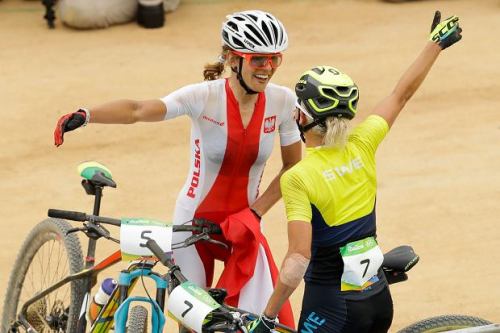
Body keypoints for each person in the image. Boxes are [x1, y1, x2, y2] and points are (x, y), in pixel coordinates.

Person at [53, 10, 300, 327]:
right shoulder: (203, 96)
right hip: (192, 226)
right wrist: (87, 114)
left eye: (274, 59)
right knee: (195, 321)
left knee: (252, 322)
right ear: (232, 58)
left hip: (244, 225)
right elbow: (138, 110)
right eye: (257, 59)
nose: (267, 69)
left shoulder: (282, 101)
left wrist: (256, 213)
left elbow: (293, 166)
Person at [247, 11, 462, 333]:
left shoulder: (299, 177)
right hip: (377, 302)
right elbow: (400, 95)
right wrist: (436, 45)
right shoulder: (363, 143)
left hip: (332, 309)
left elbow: (297, 259)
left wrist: (268, 315)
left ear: (303, 118)